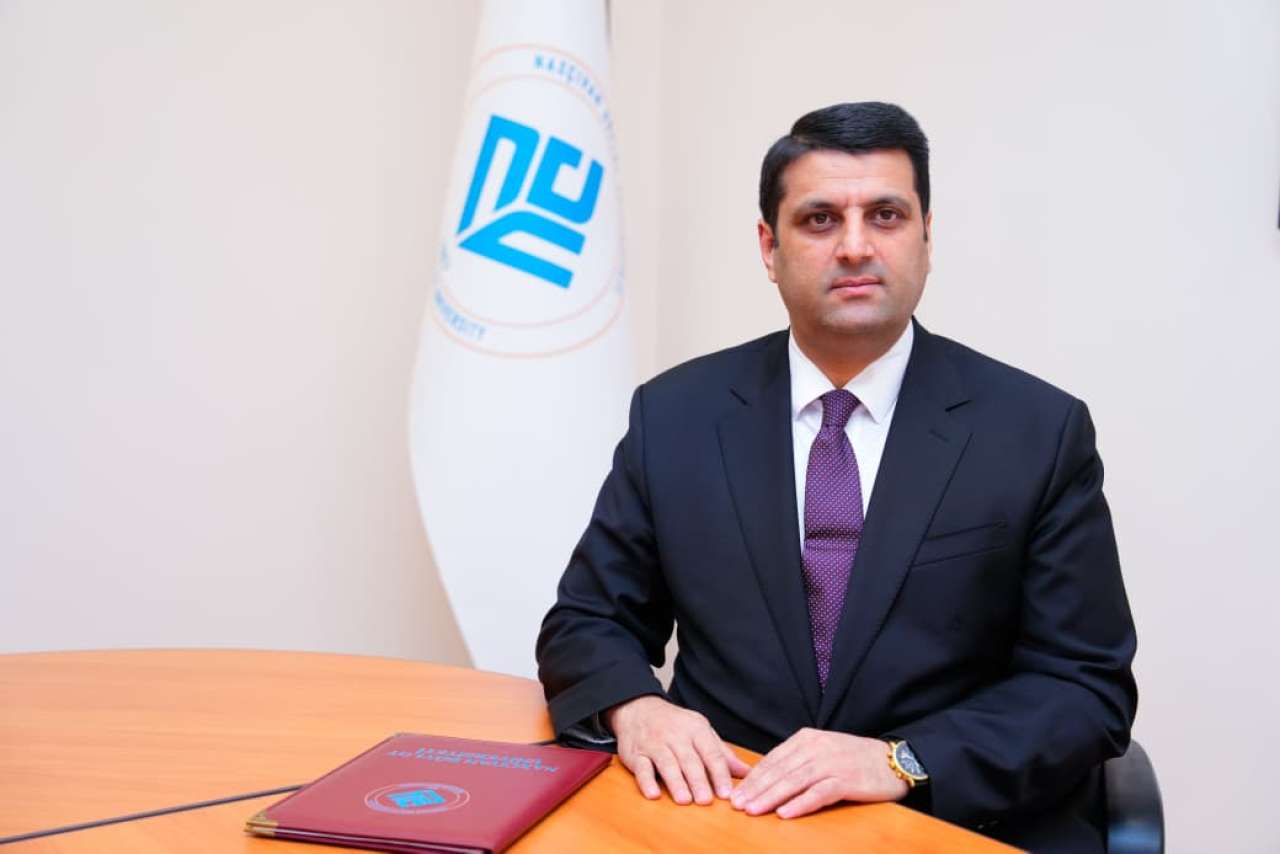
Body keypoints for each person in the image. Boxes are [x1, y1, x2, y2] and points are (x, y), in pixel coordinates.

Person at [535, 101, 1137, 852]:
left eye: (886, 215)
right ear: (769, 246)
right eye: (820, 220)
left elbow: (1083, 688)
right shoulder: (676, 416)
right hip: (723, 820)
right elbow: (587, 621)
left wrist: (902, 761)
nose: (855, 246)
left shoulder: (1037, 431)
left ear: (925, 237)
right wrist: (637, 707)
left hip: (944, 826)